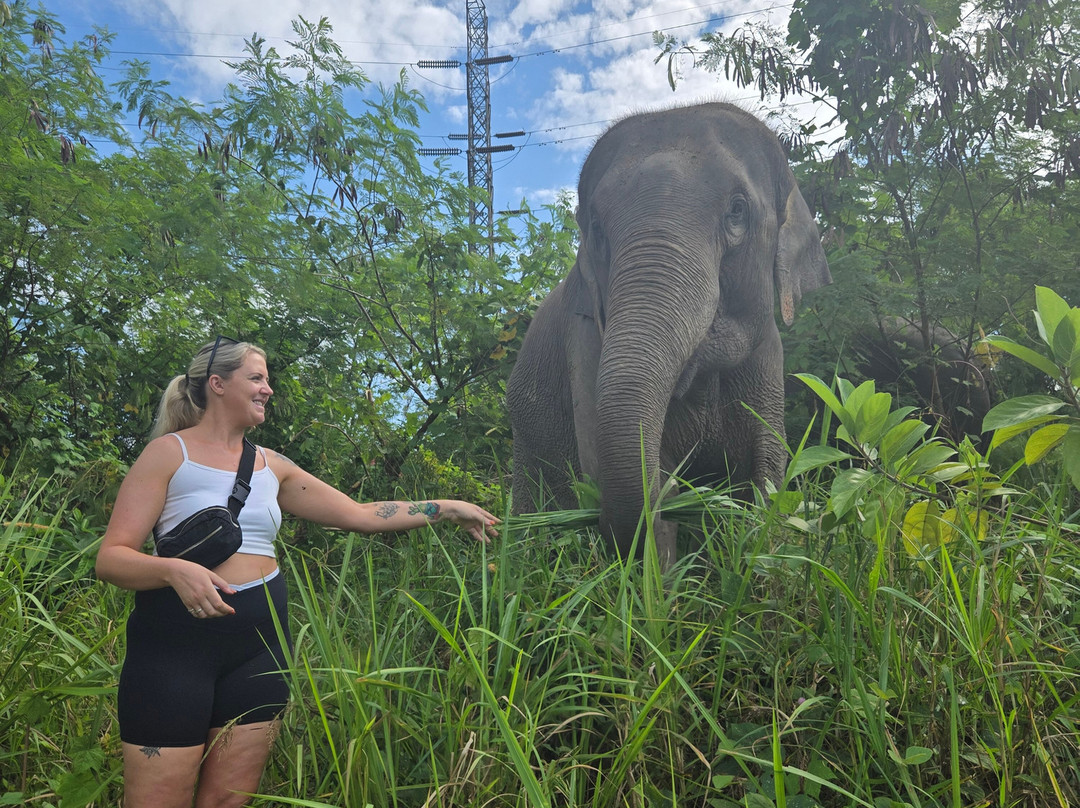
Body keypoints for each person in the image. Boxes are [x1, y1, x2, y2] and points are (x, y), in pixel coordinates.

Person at [96, 337, 499, 808]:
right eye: (257, 377)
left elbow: (363, 514)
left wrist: (446, 507)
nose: (268, 388)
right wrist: (172, 570)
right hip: (174, 648)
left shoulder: (273, 467)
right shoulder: (169, 454)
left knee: (228, 801)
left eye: (268, 379)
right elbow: (112, 558)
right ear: (217, 384)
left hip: (259, 650)